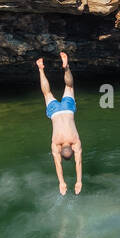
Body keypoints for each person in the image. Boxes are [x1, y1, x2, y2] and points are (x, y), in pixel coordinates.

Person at [37, 53, 84, 195]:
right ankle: (40, 69)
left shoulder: (75, 142)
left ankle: (66, 67)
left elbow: (79, 162)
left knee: (69, 86)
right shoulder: (55, 144)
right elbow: (58, 165)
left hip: (68, 110)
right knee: (47, 93)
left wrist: (78, 181)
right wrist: (62, 182)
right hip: (55, 113)